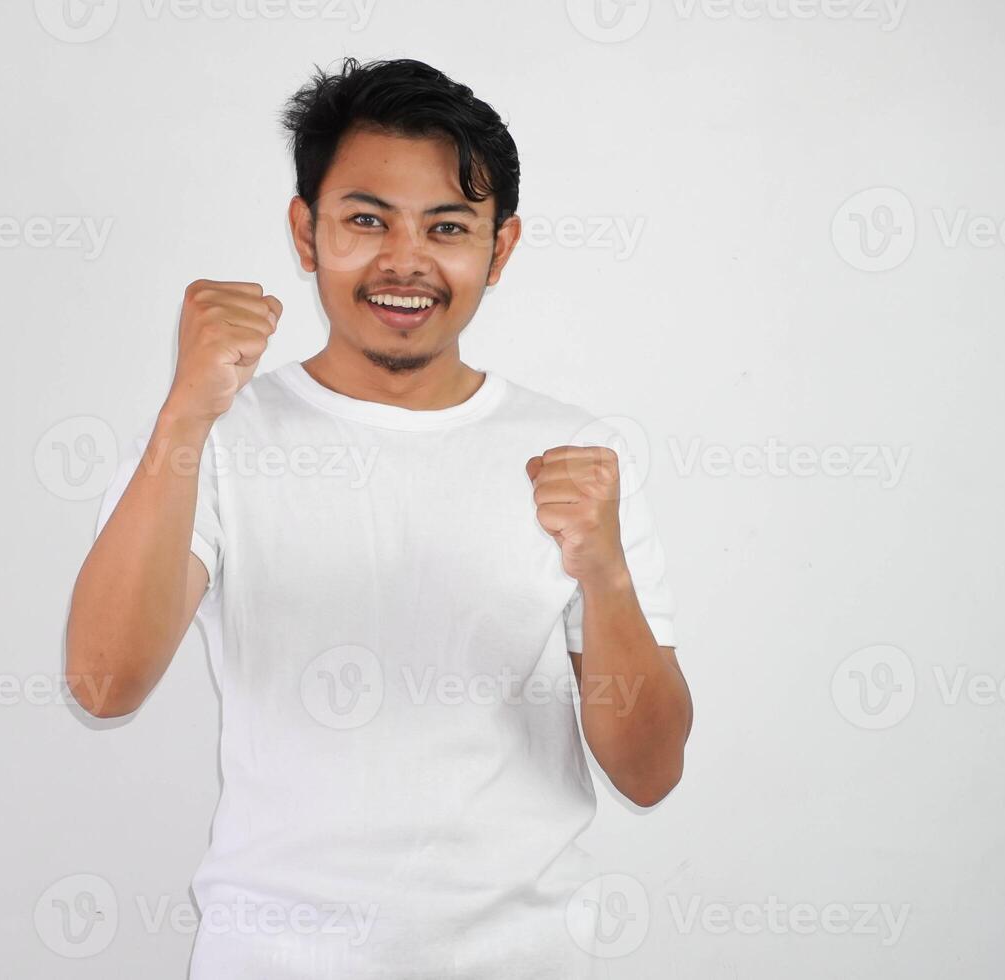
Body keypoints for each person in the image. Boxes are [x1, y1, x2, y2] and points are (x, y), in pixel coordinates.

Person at [64, 56, 693, 979]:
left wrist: (604, 575)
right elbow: (104, 683)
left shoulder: (574, 452)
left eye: (447, 227)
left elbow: (650, 772)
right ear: (304, 231)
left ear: (500, 249)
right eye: (366, 220)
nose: (405, 262)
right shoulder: (214, 435)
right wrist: (185, 414)